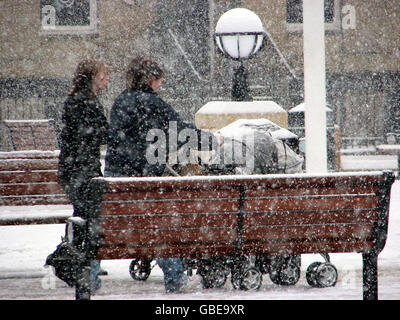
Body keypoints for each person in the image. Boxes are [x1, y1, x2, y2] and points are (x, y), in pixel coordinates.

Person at [104, 57, 222, 292]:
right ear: (150, 80)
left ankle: (91, 279)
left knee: (150, 221)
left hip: (116, 180)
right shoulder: (151, 103)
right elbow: (180, 130)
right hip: (142, 181)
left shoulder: (121, 101)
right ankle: (176, 279)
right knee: (162, 223)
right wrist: (211, 140)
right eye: (159, 82)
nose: (160, 87)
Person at [57, 59, 109, 293]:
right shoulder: (87, 104)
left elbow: (75, 138)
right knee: (88, 221)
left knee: (83, 219)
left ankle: (82, 270)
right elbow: (100, 134)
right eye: (102, 76)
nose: (106, 80)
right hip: (83, 172)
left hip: (74, 171)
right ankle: (80, 270)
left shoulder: (75, 102)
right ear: (91, 79)